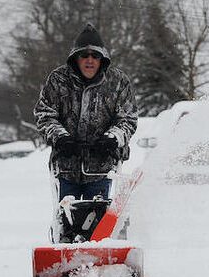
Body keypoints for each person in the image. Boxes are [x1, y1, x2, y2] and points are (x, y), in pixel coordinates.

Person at [34, 23, 137, 209]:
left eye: (95, 56)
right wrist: (60, 137)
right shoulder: (58, 79)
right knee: (67, 219)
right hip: (65, 167)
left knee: (96, 222)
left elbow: (128, 118)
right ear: (75, 58)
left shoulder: (118, 81)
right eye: (84, 55)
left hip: (101, 168)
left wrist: (113, 138)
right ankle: (64, 237)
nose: (90, 60)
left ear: (102, 59)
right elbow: (44, 114)